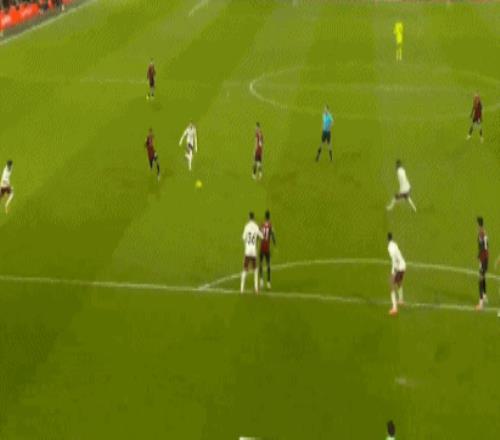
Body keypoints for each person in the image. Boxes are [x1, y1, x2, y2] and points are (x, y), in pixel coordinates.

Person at [241, 212, 263, 294]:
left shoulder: (246, 226)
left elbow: (243, 237)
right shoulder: (256, 226)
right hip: (253, 251)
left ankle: (242, 289)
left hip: (247, 250)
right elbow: (262, 236)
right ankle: (256, 289)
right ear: (254, 218)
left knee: (245, 269)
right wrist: (259, 230)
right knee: (255, 269)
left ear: (249, 217)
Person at [387, 233, 406, 316]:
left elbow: (394, 258)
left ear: (387, 240)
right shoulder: (395, 244)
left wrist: (395, 270)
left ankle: (394, 308)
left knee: (391, 285)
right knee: (399, 282)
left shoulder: (390, 248)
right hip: (403, 265)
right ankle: (401, 300)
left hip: (398, 267)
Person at [259, 210, 276, 289]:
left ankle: (261, 281)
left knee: (261, 263)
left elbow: (258, 233)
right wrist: (274, 243)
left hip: (262, 246)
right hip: (267, 248)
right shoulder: (270, 225)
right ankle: (268, 282)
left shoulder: (262, 224)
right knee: (268, 264)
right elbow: (273, 235)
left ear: (265, 216)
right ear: (269, 217)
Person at [476, 216, 489, 310]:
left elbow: (483, 247)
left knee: (480, 279)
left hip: (483, 258)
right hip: (485, 257)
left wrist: (479, 257)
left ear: (478, 223)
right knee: (483, 277)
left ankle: (481, 304)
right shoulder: (484, 232)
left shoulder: (481, 233)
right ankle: (484, 296)